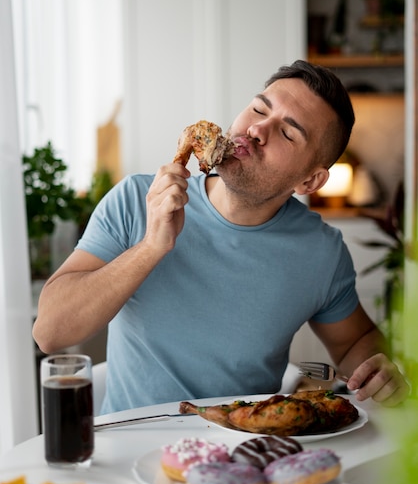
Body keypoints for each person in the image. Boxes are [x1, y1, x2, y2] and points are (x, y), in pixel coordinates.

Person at [33, 60, 409, 413]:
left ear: (310, 181)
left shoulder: (321, 251)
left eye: (287, 132)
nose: (257, 130)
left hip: (244, 453)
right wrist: (151, 246)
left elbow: (355, 345)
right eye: (259, 110)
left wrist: (380, 371)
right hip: (130, 451)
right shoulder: (137, 199)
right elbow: (50, 332)